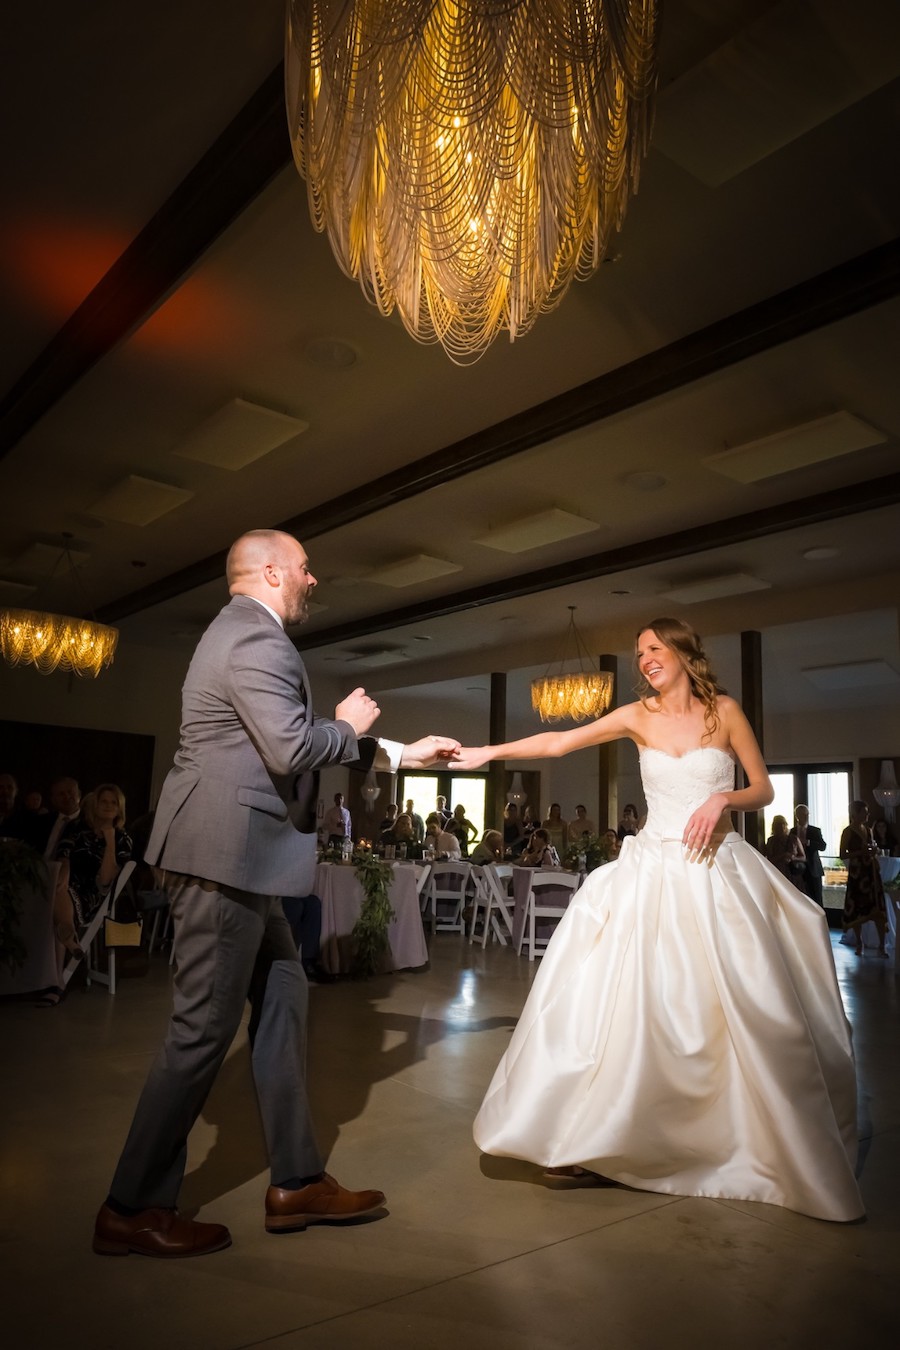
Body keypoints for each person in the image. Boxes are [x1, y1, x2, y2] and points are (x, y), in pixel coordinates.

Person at [93, 529, 460, 1259]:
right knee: (200, 1034)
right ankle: (130, 1207)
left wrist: (393, 750)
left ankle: (295, 1180)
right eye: (302, 567)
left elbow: (280, 737)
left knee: (286, 995)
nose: (312, 578)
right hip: (227, 857)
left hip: (247, 860)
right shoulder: (255, 640)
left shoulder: (240, 634)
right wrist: (352, 727)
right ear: (269, 571)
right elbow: (291, 749)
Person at [456, 617, 863, 1223]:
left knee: (724, 1008)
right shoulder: (635, 716)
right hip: (648, 869)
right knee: (624, 1007)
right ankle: (598, 1136)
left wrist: (722, 797)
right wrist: (486, 752)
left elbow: (765, 790)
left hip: (716, 871)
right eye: (638, 652)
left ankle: (731, 1138)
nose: (643, 659)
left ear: (681, 651)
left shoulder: (721, 711)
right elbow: (558, 743)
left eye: (653, 648)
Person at [840, 800, 887, 958]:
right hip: (857, 873)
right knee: (858, 907)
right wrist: (860, 853)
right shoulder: (848, 831)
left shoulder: (869, 830)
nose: (867, 814)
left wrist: (874, 851)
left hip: (871, 872)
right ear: (856, 813)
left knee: (878, 907)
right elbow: (843, 854)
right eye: (864, 812)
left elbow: (872, 847)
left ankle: (882, 945)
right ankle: (859, 942)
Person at [789, 805, 827, 905]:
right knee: (799, 899)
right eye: (803, 814)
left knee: (817, 900)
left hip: (813, 869)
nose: (806, 816)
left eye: (807, 814)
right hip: (797, 871)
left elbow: (823, 846)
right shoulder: (792, 832)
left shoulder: (815, 831)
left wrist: (808, 842)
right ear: (797, 816)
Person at [765, 814, 805, 886]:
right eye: (779, 824)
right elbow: (769, 859)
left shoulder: (794, 839)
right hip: (777, 872)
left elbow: (803, 857)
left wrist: (793, 858)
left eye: (783, 824)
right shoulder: (771, 841)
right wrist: (783, 855)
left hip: (793, 872)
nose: (782, 826)